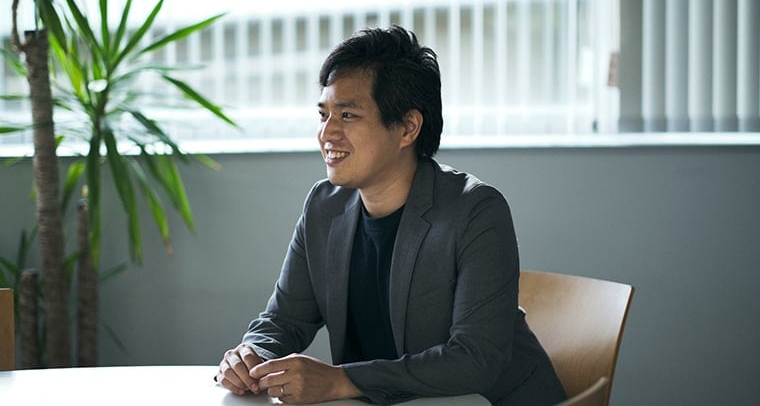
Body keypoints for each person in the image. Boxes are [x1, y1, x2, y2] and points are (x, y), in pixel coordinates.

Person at [216, 25, 567, 405]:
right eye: (323, 115)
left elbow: (475, 359)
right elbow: (284, 319)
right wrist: (252, 354)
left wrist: (341, 380)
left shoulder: (477, 211)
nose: (327, 134)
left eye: (347, 115)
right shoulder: (323, 206)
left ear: (408, 128)